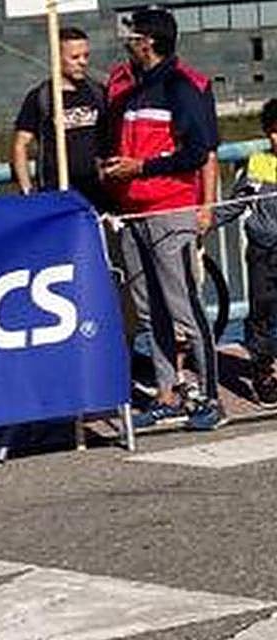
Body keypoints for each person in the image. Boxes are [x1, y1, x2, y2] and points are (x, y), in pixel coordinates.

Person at [102, 8, 222, 431]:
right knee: (150, 311)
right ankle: (168, 394)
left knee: (184, 307)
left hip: (170, 211)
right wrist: (115, 169)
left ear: (147, 41)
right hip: (133, 212)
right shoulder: (132, 90)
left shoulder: (182, 86)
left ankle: (210, 396)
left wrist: (141, 168)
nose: (124, 42)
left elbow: (197, 152)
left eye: (129, 35)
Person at [213, 98, 277, 406]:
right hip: (264, 250)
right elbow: (235, 204)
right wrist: (204, 221)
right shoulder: (259, 164)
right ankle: (263, 372)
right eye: (273, 131)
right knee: (261, 310)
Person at [10, 26, 108, 209]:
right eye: (75, 57)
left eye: (86, 56)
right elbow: (20, 144)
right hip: (56, 191)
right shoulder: (41, 97)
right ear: (57, 58)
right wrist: (26, 190)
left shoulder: (98, 93)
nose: (82, 62)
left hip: (97, 192)